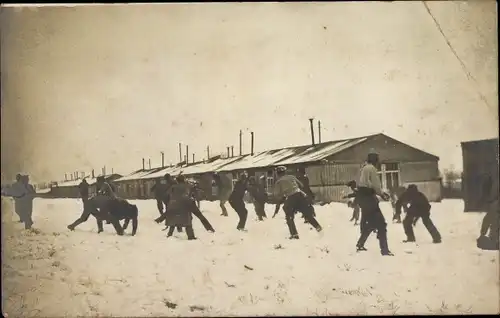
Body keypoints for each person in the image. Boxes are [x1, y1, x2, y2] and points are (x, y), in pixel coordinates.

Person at [355, 149, 393, 256]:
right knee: (381, 224)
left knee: (372, 224)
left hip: (363, 199)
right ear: (375, 160)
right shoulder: (372, 169)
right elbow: (376, 185)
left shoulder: (363, 168)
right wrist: (382, 194)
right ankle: (384, 251)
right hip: (369, 199)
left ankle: (360, 244)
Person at [273, 166, 322, 239]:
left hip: (290, 198)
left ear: (277, 173)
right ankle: (318, 228)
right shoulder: (291, 177)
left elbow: (277, 195)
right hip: (300, 196)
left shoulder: (279, 182)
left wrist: (283, 195)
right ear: (285, 172)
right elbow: (301, 185)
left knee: (289, 217)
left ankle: (294, 234)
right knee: (307, 214)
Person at [164, 175, 197, 240]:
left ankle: (169, 235)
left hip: (173, 205)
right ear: (184, 180)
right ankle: (191, 236)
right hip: (183, 205)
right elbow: (190, 194)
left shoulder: (173, 187)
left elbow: (167, 194)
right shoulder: (187, 186)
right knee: (188, 222)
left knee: (173, 220)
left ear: (177, 180)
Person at [477, 175, 499, 250]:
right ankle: (492, 239)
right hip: (494, 203)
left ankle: (493, 239)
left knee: (492, 221)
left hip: (495, 203)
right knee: (490, 220)